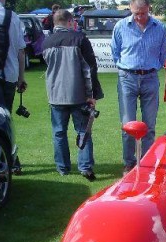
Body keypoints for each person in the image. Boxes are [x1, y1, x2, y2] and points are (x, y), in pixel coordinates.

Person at [42, 9, 103, 180]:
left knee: (59, 132)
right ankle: (85, 167)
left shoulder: (47, 42)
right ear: (70, 22)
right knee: (83, 131)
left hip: (55, 94)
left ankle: (62, 168)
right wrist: (92, 94)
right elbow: (90, 68)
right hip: (78, 95)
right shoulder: (80, 39)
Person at [111, 0, 166, 175]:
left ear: (149, 9)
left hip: (150, 77)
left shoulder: (160, 27)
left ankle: (146, 163)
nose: (140, 17)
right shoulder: (120, 27)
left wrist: (153, 67)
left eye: (143, 13)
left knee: (149, 125)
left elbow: (163, 54)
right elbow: (115, 52)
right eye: (136, 13)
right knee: (128, 125)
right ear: (130, 9)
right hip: (127, 77)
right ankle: (129, 163)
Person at [0, 0, 27, 174]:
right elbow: (21, 51)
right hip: (10, 75)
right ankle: (11, 158)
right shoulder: (14, 17)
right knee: (5, 117)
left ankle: (4, 159)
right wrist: (21, 78)